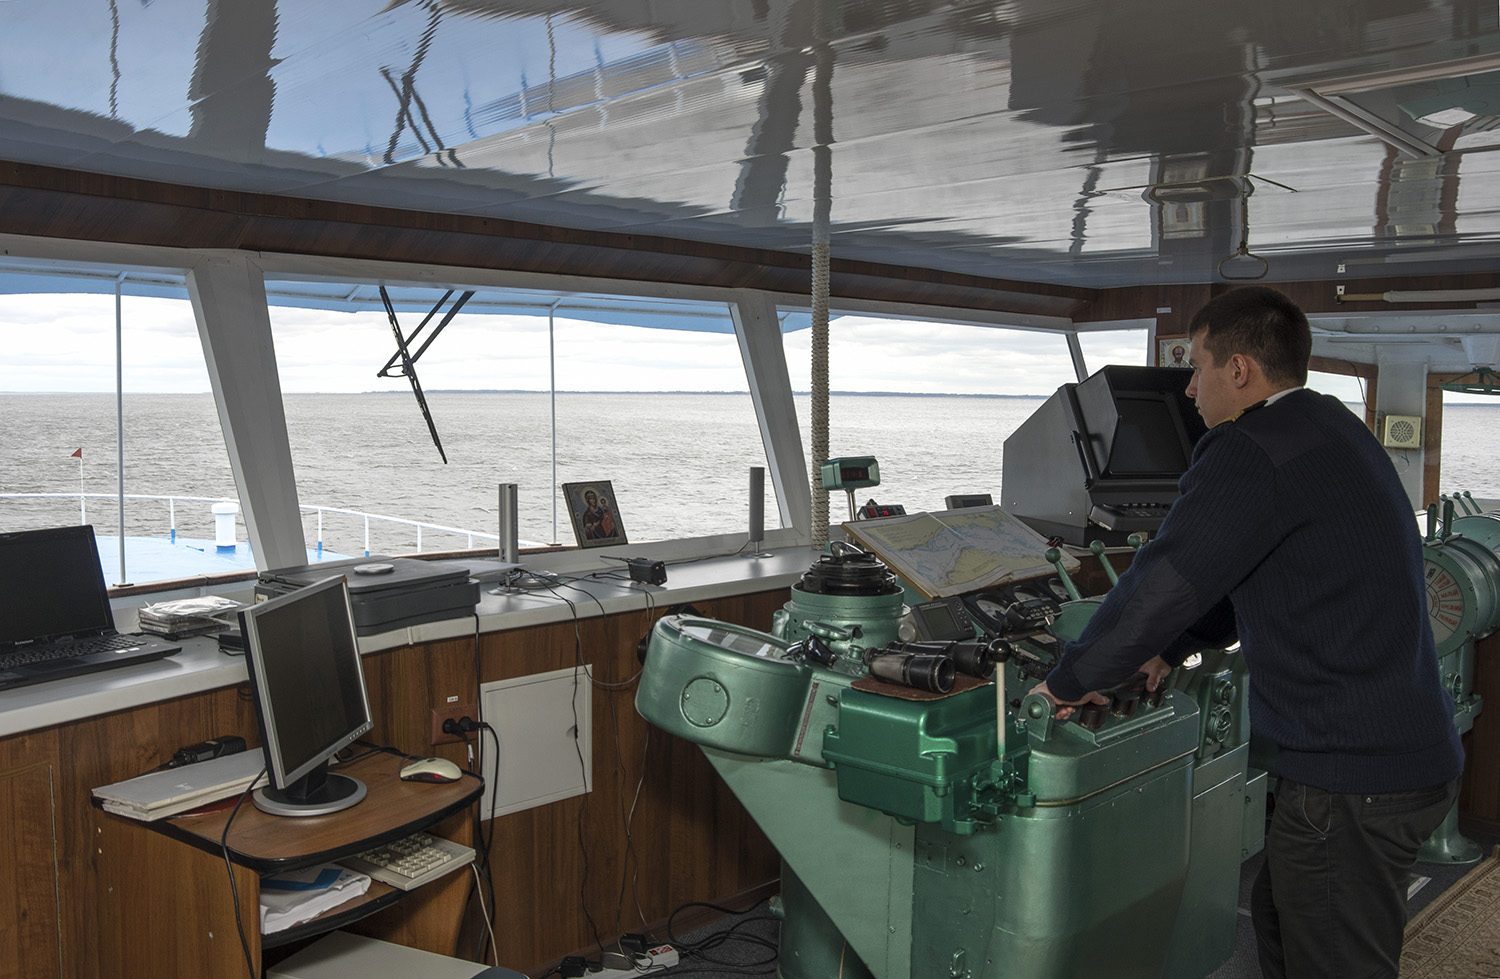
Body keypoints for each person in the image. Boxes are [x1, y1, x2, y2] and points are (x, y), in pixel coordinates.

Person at [1031, 286, 1463, 979]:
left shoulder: (1248, 448)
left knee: (1330, 956)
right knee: (1283, 922)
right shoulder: (1330, 426)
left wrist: (1067, 680)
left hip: (1351, 771)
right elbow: (1261, 569)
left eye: (1198, 367)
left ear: (1240, 370)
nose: (1191, 389)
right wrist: (1169, 647)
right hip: (1399, 751)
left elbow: (1164, 579)